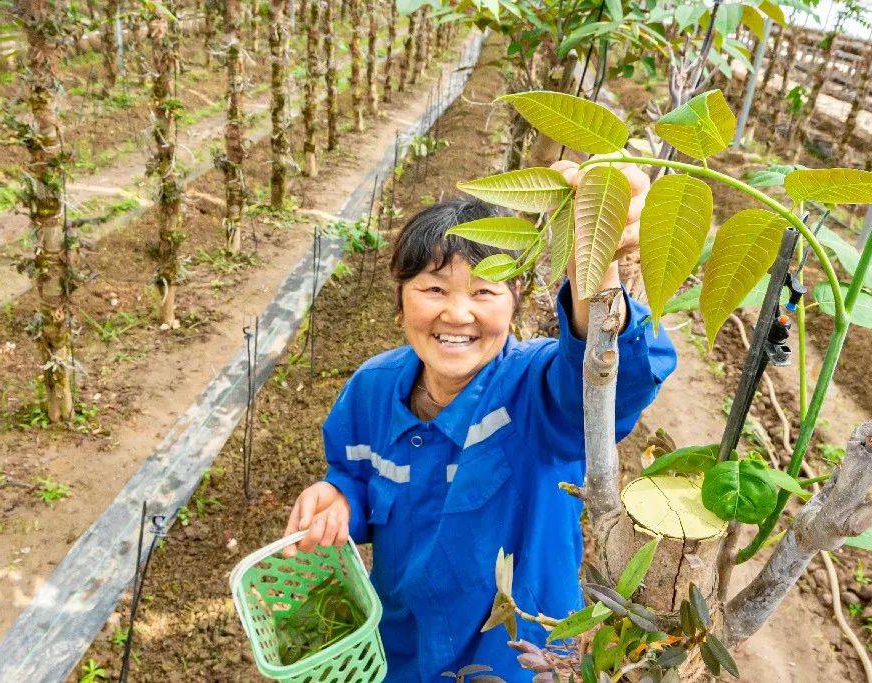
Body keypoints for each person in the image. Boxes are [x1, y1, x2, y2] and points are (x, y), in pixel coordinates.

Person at [283, 161, 677, 681]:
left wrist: (595, 277)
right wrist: (339, 500)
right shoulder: (371, 392)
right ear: (400, 300)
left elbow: (606, 384)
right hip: (399, 642)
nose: (458, 313)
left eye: (485, 291)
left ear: (514, 304)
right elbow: (355, 478)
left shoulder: (535, 389)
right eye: (434, 289)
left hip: (515, 656)